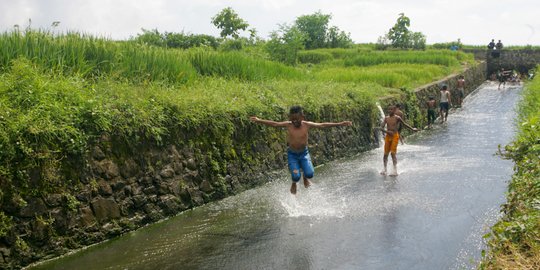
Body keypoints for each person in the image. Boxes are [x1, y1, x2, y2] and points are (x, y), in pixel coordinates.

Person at [250, 106, 352, 194]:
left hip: (304, 154)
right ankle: (294, 183)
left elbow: (322, 125)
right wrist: (259, 120)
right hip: (292, 155)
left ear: (302, 117)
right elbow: (274, 124)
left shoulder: (306, 125)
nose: (294, 121)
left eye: (297, 119)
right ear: (290, 118)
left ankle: (305, 178)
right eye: (292, 119)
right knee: (295, 177)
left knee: (309, 174)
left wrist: (340, 123)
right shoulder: (288, 125)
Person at [379, 105, 418, 176]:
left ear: (394, 111)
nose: (389, 111)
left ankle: (395, 170)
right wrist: (387, 132)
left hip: (395, 136)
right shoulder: (386, 118)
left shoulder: (397, 118)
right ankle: (385, 169)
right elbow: (381, 128)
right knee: (385, 154)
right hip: (388, 136)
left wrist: (412, 129)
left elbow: (404, 124)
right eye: (389, 109)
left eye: (391, 109)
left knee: (393, 153)